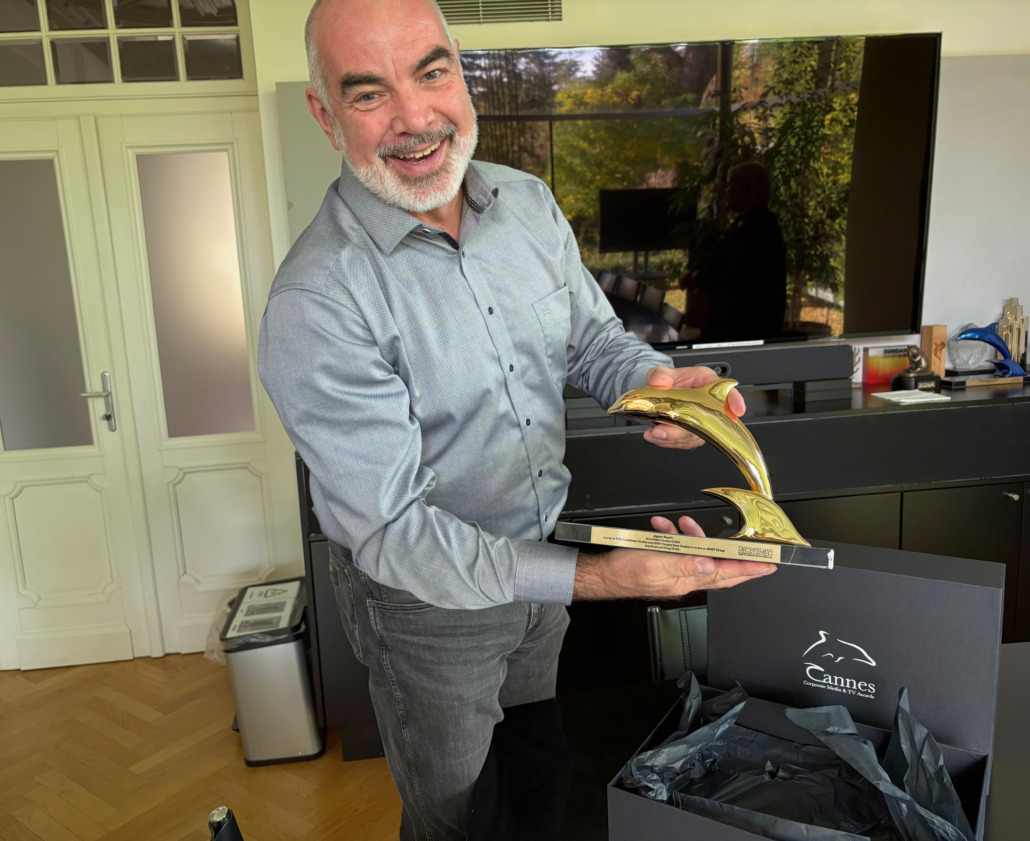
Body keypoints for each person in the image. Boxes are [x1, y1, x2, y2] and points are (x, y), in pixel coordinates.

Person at [257, 1, 776, 838]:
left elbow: (591, 342)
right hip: (426, 612)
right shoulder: (317, 303)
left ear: (461, 70)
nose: (416, 117)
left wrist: (658, 384)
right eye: (368, 94)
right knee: (459, 815)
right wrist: (602, 575)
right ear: (325, 114)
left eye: (431, 71)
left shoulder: (528, 205)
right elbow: (394, 534)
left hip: (540, 574)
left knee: (538, 769)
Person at [694, 161, 788, 342]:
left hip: (743, 334)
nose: (726, 191)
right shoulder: (751, 224)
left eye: (730, 185)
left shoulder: (756, 230)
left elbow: (728, 278)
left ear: (748, 188)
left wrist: (698, 279)